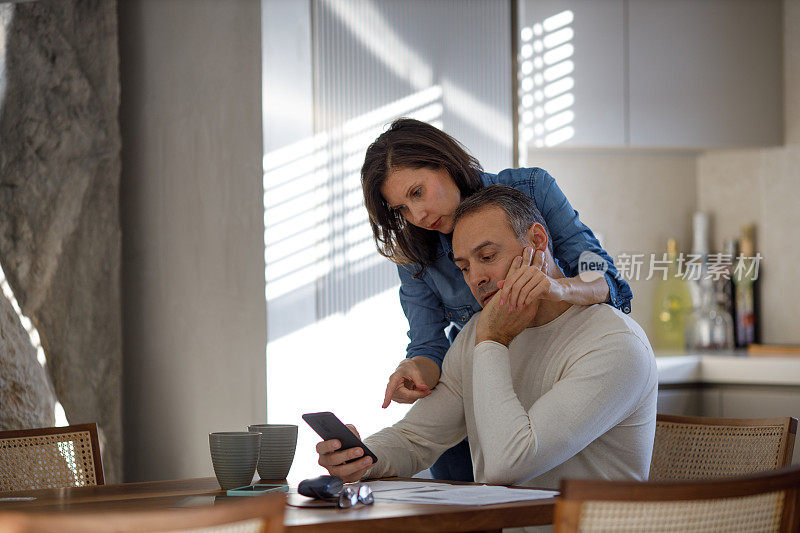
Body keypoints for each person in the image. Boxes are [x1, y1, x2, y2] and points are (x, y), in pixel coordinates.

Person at [315, 185, 657, 493]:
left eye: (488, 257)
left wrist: (493, 340)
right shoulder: (477, 334)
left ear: (538, 241)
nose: (476, 278)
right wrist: (362, 458)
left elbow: (509, 465)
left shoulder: (615, 344)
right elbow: (416, 438)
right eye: (464, 266)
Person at [360, 118, 633, 481]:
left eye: (417, 192)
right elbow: (427, 349)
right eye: (402, 210)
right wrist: (413, 372)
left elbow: (609, 280)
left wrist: (558, 288)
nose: (418, 216)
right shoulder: (415, 249)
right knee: (465, 504)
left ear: (444, 163)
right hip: (475, 384)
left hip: (550, 368)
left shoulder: (529, 190)